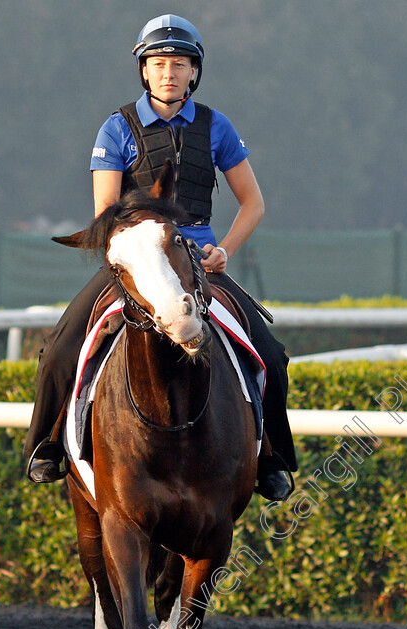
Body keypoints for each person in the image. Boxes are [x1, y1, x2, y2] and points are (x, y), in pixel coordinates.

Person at [24, 13, 296, 501]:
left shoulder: (217, 126)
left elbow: (253, 203)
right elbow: (105, 214)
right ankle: (45, 445)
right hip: (135, 262)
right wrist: (138, 252)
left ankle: (274, 459)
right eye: (158, 63)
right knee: (60, 349)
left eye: (179, 63)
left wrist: (223, 251)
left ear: (194, 72)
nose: (168, 72)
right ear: (144, 71)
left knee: (272, 357)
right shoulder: (116, 129)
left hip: (195, 262)